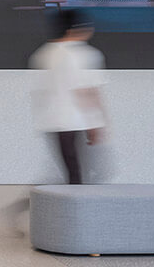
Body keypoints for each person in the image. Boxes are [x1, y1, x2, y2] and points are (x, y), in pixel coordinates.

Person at [28, 10, 108, 184]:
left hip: (52, 121)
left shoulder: (44, 53)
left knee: (71, 170)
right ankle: (42, 203)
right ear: (75, 29)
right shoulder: (84, 54)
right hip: (75, 120)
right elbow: (87, 91)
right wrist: (96, 125)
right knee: (80, 174)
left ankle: (43, 201)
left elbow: (41, 90)